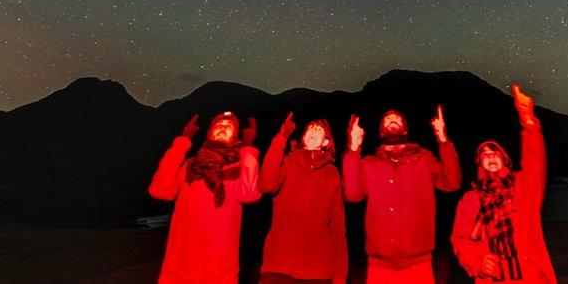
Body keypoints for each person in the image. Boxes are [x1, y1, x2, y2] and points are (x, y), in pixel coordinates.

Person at [342, 106, 462, 284]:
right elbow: (352, 194)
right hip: (379, 265)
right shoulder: (369, 163)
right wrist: (353, 150)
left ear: (405, 129)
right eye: (387, 119)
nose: (392, 120)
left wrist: (443, 140)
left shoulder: (423, 159)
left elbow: (452, 183)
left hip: (419, 263)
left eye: (396, 119)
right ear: (381, 131)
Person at [450, 84, 557, 283]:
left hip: (529, 275)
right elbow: (460, 239)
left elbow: (535, 164)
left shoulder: (522, 188)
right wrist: (478, 262)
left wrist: (528, 122)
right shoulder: (470, 200)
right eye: (485, 155)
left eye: (495, 153)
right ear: (479, 163)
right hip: (493, 278)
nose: (490, 157)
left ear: (504, 159)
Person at [148, 111, 261, 284]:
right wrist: (183, 141)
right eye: (219, 125)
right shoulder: (190, 165)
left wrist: (248, 147)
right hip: (180, 268)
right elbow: (160, 190)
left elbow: (249, 194)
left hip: (220, 270)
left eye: (229, 126)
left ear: (235, 135)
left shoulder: (241, 166)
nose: (223, 128)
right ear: (209, 133)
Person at [258, 112, 348, 284]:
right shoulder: (287, 162)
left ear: (326, 142)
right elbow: (267, 185)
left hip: (318, 270)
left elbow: (337, 224)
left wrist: (340, 274)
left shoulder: (331, 173)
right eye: (310, 129)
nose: (313, 131)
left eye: (319, 129)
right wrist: (280, 138)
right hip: (278, 264)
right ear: (303, 137)